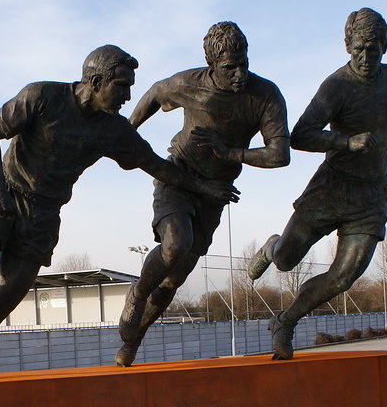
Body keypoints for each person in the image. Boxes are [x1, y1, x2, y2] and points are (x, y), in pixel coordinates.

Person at [0, 45, 238, 385]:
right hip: (0, 196)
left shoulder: (113, 130)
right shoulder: (42, 96)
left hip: (42, 217)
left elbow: (157, 166)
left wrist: (205, 188)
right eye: (122, 87)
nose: (127, 97)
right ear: (96, 82)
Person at [115, 21, 290, 366]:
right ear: (212, 66)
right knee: (175, 244)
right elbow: (152, 93)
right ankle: (136, 293)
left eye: (244, 64)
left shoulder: (265, 95)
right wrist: (125, 131)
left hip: (215, 193)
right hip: (179, 177)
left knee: (175, 279)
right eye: (230, 68)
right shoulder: (188, 83)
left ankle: (134, 340)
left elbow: (279, 155)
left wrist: (230, 153)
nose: (240, 74)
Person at [246, 8, 387, 359]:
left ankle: (286, 321)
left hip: (371, 196)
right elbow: (300, 135)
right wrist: (346, 142)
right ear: (347, 46)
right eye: (358, 49)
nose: (366, 57)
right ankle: (271, 247)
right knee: (286, 260)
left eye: (373, 49)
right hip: (332, 188)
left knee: (343, 276)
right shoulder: (336, 86)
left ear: (385, 46)